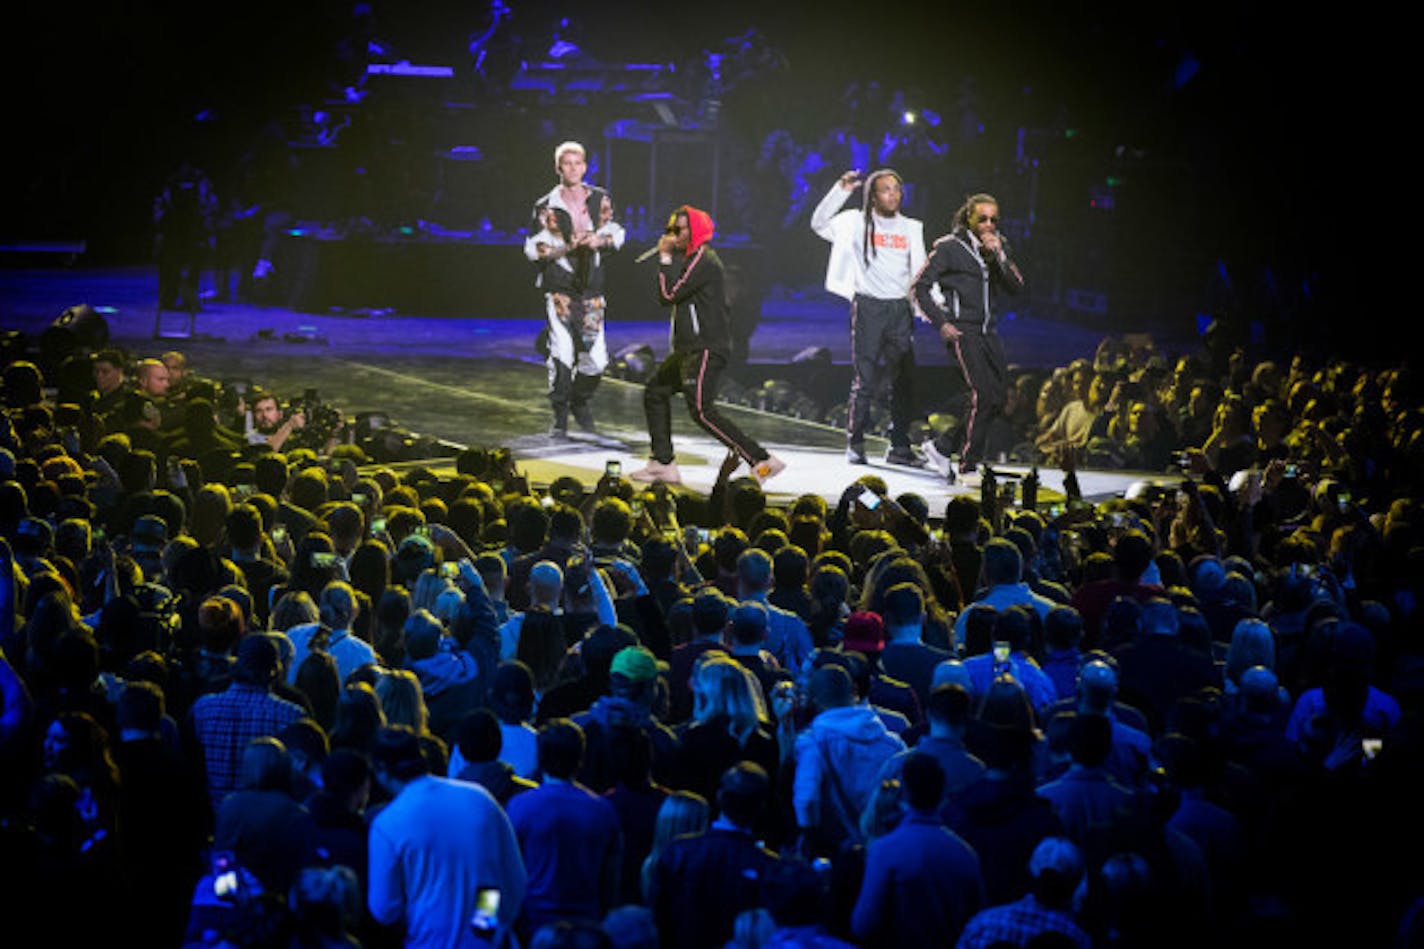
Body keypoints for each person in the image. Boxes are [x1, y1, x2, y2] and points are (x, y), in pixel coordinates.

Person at [628, 206, 785, 486]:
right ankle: (663, 462)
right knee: (655, 392)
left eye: (680, 230)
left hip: (705, 348)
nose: (673, 235)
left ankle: (762, 460)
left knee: (702, 410)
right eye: (671, 229)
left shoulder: (704, 259)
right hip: (687, 350)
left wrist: (664, 258)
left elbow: (668, 295)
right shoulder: (690, 258)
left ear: (695, 231)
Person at [367, 725, 528, 947]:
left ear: (380, 769)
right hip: (485, 942)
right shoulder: (479, 799)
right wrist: (483, 925)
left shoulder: (388, 823)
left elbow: (384, 909)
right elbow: (513, 880)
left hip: (427, 941)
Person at [810, 168, 927, 467]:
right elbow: (818, 223)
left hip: (899, 310)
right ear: (873, 195)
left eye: (897, 190)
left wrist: (928, 304)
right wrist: (841, 190)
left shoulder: (911, 227)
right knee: (865, 379)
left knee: (904, 380)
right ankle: (856, 441)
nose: (893, 195)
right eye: (886, 190)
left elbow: (920, 269)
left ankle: (899, 446)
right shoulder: (853, 222)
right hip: (869, 307)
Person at [913, 192, 1026, 483]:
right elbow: (919, 287)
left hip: (989, 331)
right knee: (982, 393)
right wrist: (941, 322)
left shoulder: (998, 247)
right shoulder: (950, 247)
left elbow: (1016, 286)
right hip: (964, 330)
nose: (989, 225)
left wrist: (998, 254)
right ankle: (968, 465)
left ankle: (941, 446)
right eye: (983, 219)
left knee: (998, 398)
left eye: (993, 219)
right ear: (969, 218)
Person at [525, 140, 625, 437]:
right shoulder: (546, 205)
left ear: (585, 166)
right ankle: (560, 414)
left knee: (596, 359)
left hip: (591, 291)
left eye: (578, 163)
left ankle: (580, 401)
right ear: (558, 168)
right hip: (560, 290)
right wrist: (566, 247)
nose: (573, 168)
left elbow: (616, 233)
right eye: (567, 163)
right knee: (562, 353)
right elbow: (534, 248)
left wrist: (598, 241)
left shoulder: (600, 199)